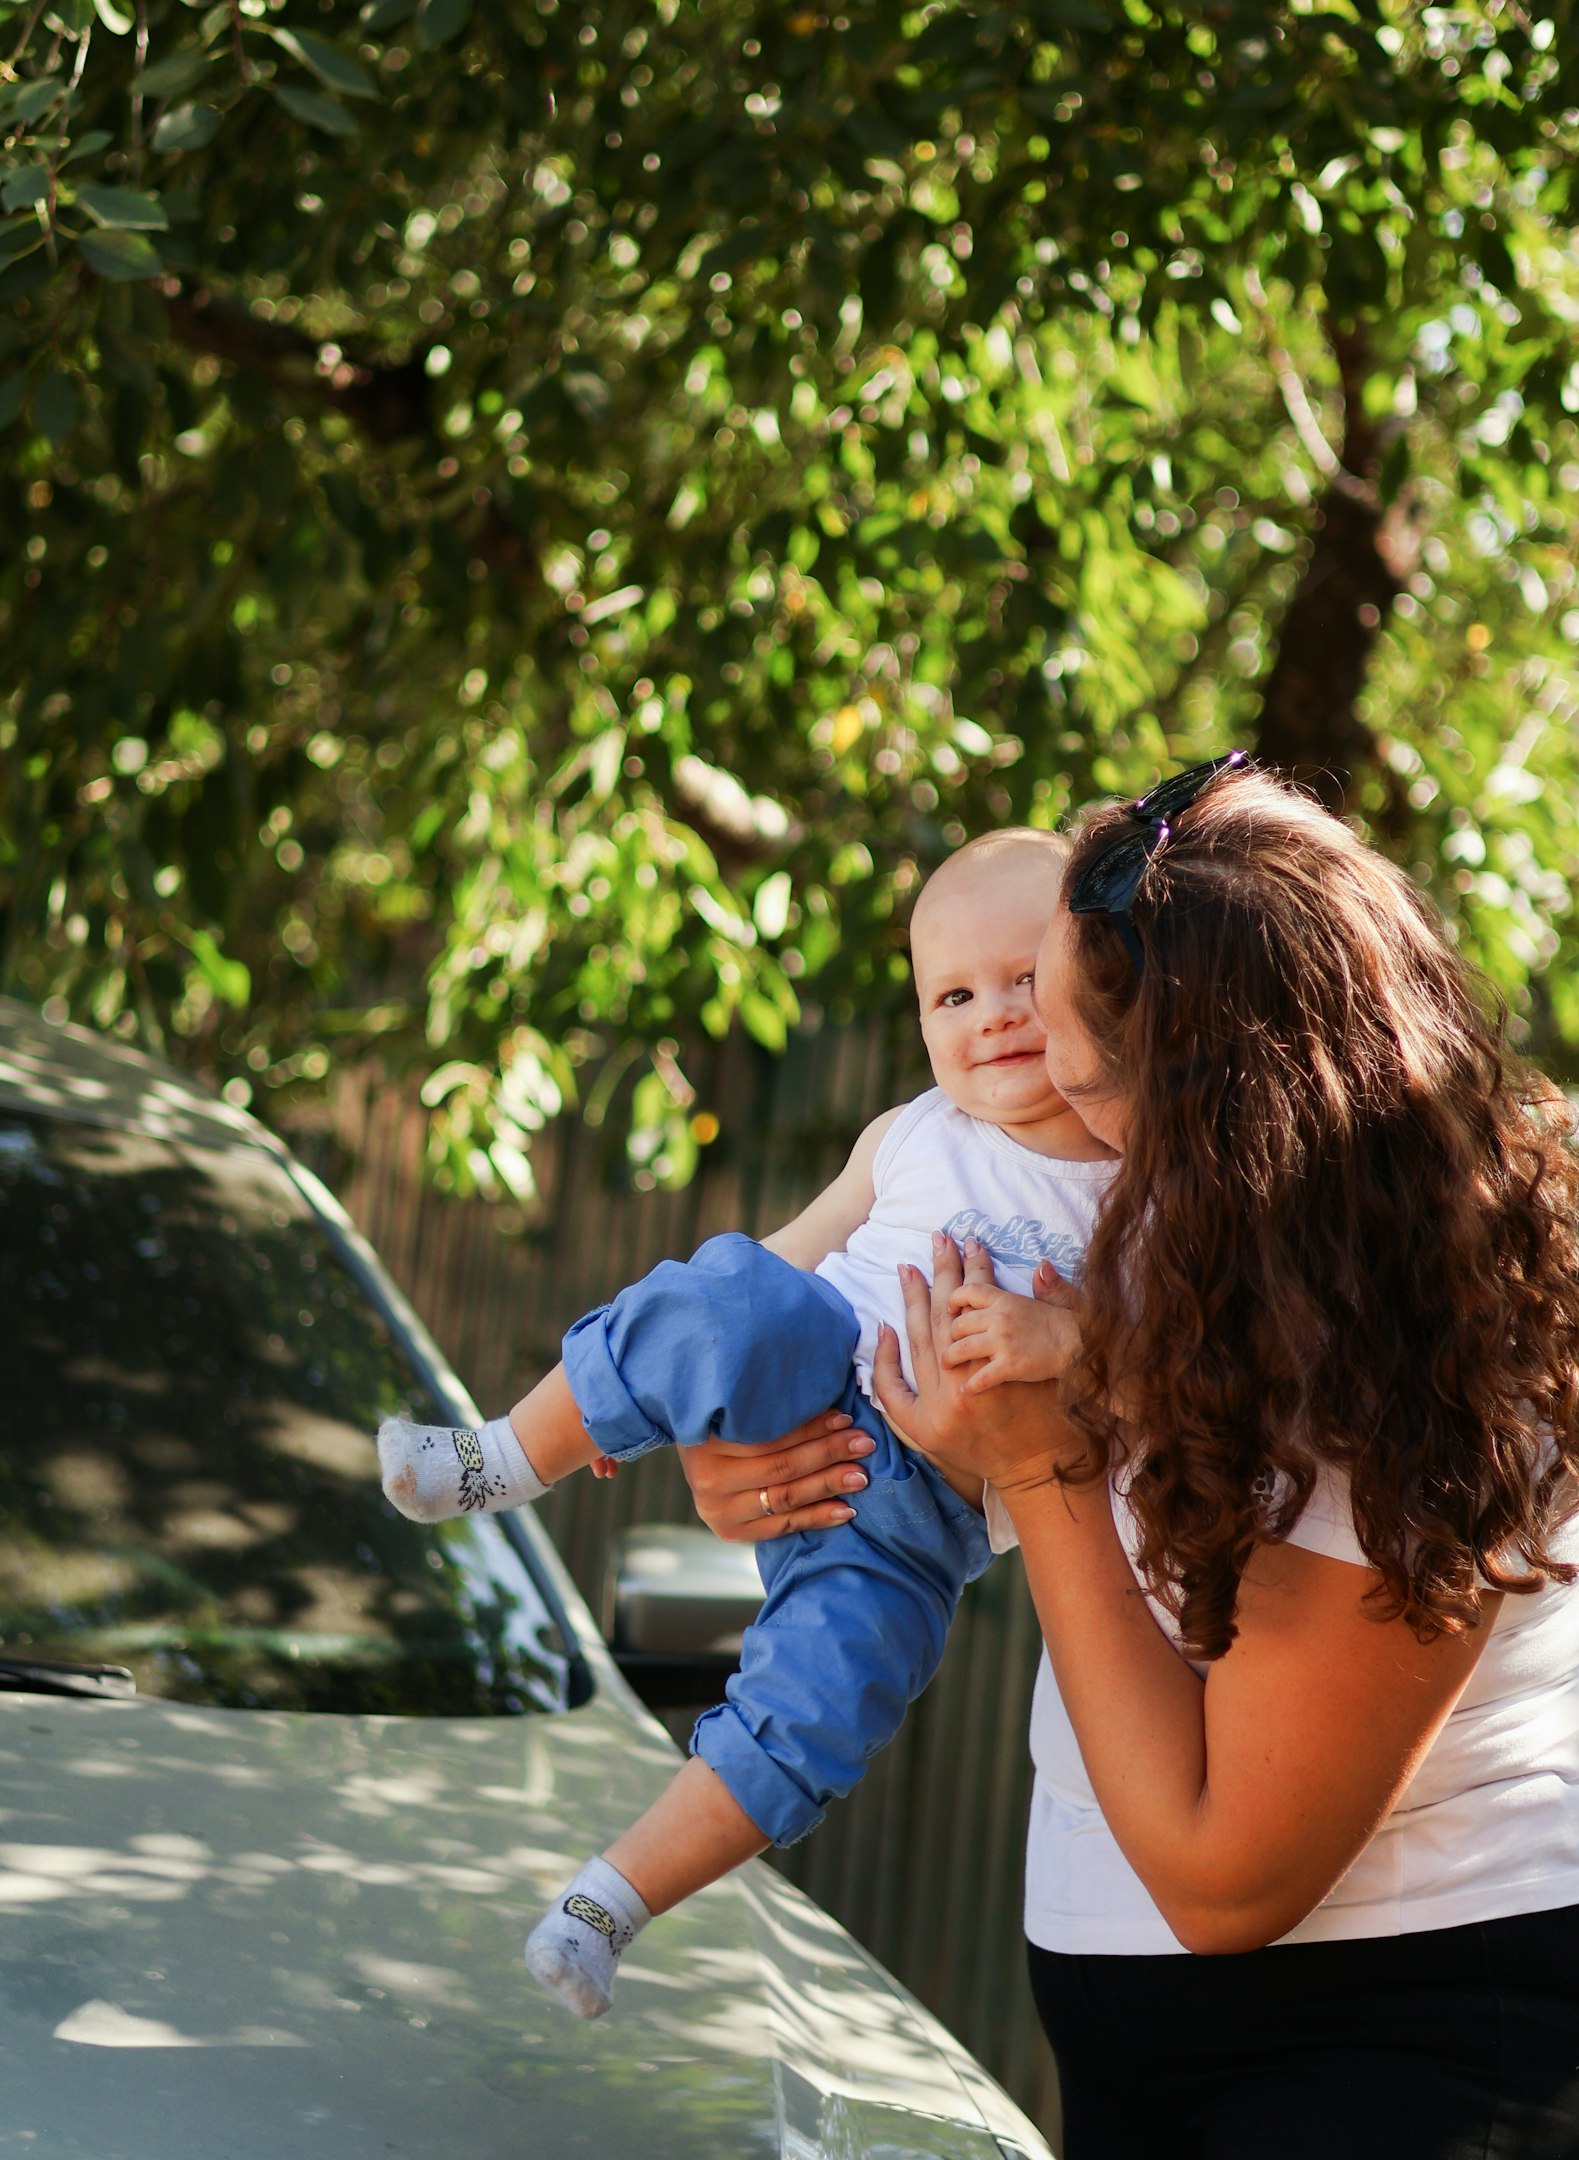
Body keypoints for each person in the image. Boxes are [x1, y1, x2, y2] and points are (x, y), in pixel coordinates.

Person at [836, 753, 1579, 2159]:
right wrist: (769, 1447)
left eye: (1081, 1084)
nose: (1046, 1111)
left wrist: (1045, 1466)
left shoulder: (1438, 1336)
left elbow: (1222, 1878)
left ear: (1219, 1117)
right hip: (1132, 2027)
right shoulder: (1175, 1232)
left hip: (1401, 2036)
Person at [376, 827, 1118, 2017]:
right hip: (808, 1372)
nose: (996, 1015)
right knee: (722, 1293)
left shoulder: (1150, 1187)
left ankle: (608, 1903)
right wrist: (667, 1404)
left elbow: (1172, 1374)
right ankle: (502, 1456)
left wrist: (1078, 1343)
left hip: (919, 1521)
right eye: (955, 993)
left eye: (1029, 977)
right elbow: (771, 1269)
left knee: (823, 1702)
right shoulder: (911, 1134)